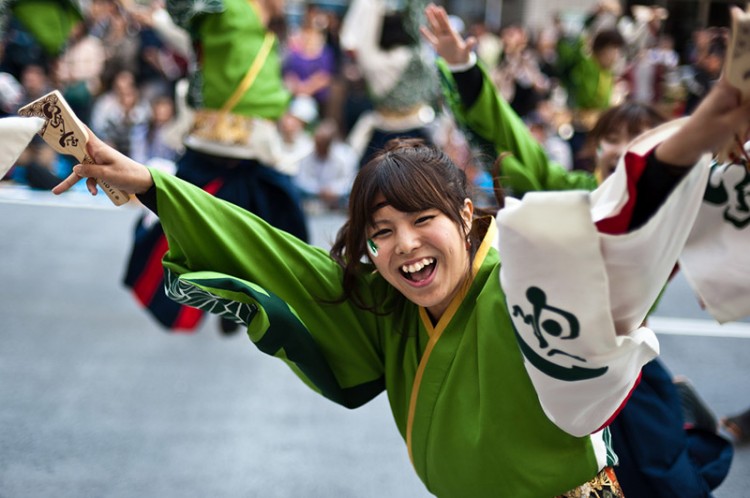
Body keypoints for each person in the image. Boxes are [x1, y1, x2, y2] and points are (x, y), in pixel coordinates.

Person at [49, 21, 750, 491]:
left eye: (422, 220)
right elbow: (277, 257)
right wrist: (150, 182)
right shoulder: (385, 304)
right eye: (380, 231)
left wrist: (697, 136)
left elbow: (605, 233)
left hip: (604, 410)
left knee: (668, 472)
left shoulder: (522, 275)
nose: (403, 245)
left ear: (467, 215)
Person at [421, 4, 734, 496]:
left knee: (665, 483)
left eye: (636, 140)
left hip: (627, 373)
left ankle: (686, 422)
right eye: (612, 138)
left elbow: (725, 201)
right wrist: (464, 68)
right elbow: (512, 139)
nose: (620, 150)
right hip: (551, 367)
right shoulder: (569, 189)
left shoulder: (675, 206)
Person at [121, 0, 310, 334]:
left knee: (280, 230)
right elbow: (194, 30)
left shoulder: (270, 29)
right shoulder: (231, 10)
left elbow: (198, 48)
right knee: (183, 230)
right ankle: (221, 301)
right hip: (214, 151)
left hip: (257, 154)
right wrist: (161, 19)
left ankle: (244, 303)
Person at [340, 0, 440, 168]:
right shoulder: (420, 58)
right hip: (417, 133)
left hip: (383, 137)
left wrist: (375, 6)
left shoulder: (374, 62)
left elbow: (361, 41)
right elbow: (419, 26)